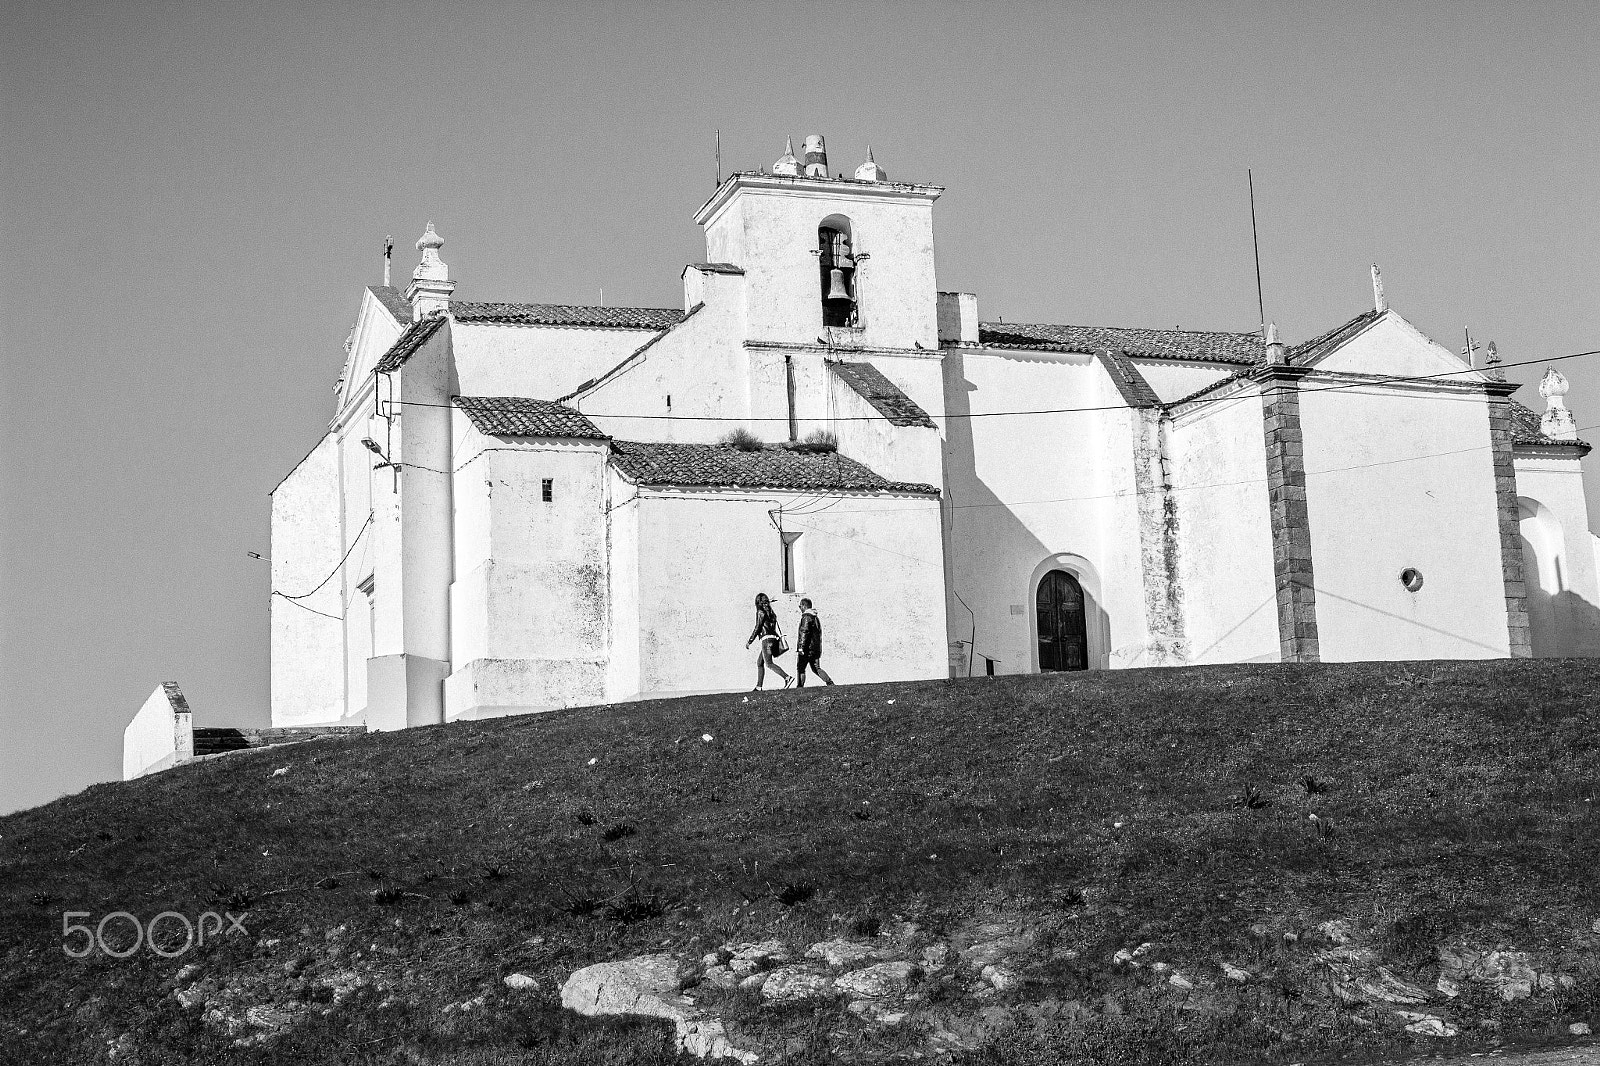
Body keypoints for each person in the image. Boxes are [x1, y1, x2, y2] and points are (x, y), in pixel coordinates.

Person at [745, 592, 792, 690]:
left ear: (758, 602)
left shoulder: (760, 612)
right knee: (759, 662)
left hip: (766, 640)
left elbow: (757, 627)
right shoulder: (771, 612)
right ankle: (759, 686)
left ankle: (787, 677)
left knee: (769, 663)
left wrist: (750, 641)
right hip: (773, 639)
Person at [795, 598, 834, 687]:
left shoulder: (806, 617)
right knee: (816, 668)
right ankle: (829, 682)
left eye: (800, 606)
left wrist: (801, 647)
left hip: (807, 649)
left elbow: (804, 632)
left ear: (804, 606)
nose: (800, 608)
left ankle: (800, 686)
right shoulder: (815, 618)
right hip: (815, 649)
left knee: (801, 668)